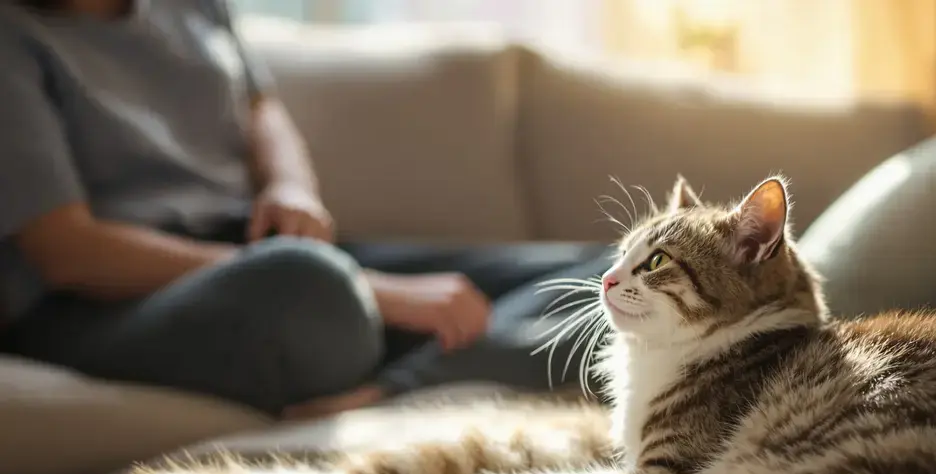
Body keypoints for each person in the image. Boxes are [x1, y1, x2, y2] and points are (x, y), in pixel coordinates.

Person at [0, 0, 613, 419]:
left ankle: (400, 388)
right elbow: (67, 252)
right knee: (311, 289)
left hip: (264, 254)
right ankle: (410, 345)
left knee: (617, 269)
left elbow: (261, 109)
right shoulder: (14, 36)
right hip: (107, 304)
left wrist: (291, 189)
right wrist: (382, 292)